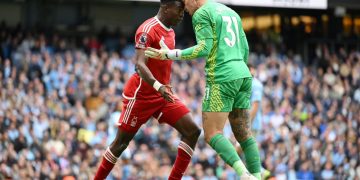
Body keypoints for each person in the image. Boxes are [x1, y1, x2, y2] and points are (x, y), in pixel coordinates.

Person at [145, 0, 261, 179]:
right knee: (244, 134)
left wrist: (170, 54)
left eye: (185, 4)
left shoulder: (201, 13)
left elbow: (203, 48)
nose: (186, 10)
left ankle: (244, 175)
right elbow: (245, 49)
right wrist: (239, 72)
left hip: (222, 76)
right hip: (243, 74)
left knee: (213, 133)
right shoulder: (231, 12)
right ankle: (257, 176)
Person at [94, 0, 201, 179]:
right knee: (120, 144)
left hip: (162, 96)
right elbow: (139, 65)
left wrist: (163, 86)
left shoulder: (171, 32)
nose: (183, 13)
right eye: (179, 9)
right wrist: (159, 86)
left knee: (193, 131)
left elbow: (162, 65)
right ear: (166, 8)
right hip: (141, 96)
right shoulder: (147, 29)